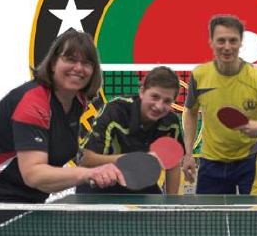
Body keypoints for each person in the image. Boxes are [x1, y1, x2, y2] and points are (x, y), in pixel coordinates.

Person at [0, 29, 125, 227]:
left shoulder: (76, 100)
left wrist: (114, 161)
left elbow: (61, 150)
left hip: (31, 199)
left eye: (87, 63)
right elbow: (34, 174)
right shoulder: (33, 102)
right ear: (53, 63)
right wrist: (89, 174)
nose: (78, 68)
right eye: (70, 59)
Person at [182, 14, 257, 194]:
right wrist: (189, 153)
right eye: (221, 40)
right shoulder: (199, 75)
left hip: (250, 159)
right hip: (211, 161)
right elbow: (190, 112)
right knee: (208, 213)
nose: (227, 47)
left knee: (253, 212)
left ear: (240, 42)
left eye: (233, 40)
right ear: (211, 42)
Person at [76, 66, 183, 194]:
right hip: (100, 184)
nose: (159, 106)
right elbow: (86, 160)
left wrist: (171, 203)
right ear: (142, 92)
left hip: (139, 185)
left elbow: (173, 164)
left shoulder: (171, 123)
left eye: (167, 101)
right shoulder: (114, 111)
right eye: (155, 97)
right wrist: (135, 159)